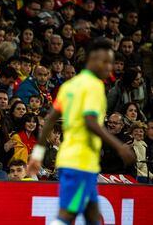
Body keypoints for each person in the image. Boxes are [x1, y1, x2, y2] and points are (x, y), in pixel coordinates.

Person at [28, 40, 135, 225]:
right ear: (93, 59)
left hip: (74, 161)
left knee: (92, 217)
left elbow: (50, 120)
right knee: (67, 215)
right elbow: (90, 121)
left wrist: (37, 155)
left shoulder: (71, 85)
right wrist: (119, 146)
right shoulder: (93, 86)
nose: (109, 67)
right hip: (80, 163)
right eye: (106, 61)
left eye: (111, 62)